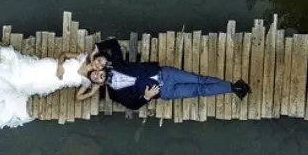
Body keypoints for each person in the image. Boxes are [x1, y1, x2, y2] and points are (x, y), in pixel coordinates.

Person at [88, 37, 250, 111]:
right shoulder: (115, 94)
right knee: (197, 91)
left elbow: (114, 43)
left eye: (96, 73)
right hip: (164, 92)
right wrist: (146, 97)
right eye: (95, 79)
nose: (97, 76)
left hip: (164, 74)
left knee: (199, 79)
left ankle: (233, 85)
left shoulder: (115, 64)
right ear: (99, 84)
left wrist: (97, 46)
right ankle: (233, 89)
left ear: (100, 70)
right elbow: (132, 105)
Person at [0, 46, 103, 128]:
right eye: (98, 60)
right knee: (18, 74)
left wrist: (92, 93)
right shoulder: (83, 58)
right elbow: (64, 54)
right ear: (95, 58)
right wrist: (60, 66)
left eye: (101, 65)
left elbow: (79, 97)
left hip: (51, 83)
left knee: (20, 84)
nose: (98, 65)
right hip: (49, 67)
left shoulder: (87, 82)